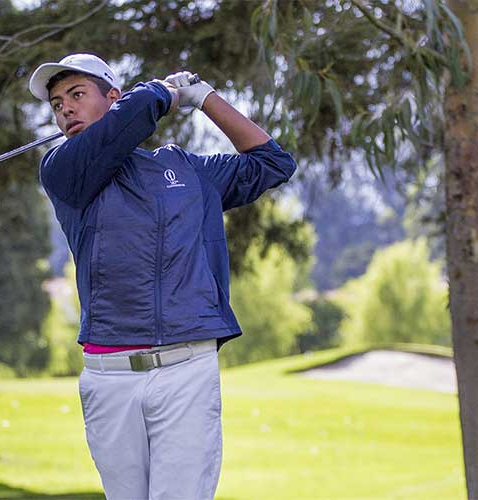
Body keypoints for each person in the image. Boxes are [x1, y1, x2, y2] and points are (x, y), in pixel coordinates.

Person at [27, 53, 297, 499]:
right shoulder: (62, 171)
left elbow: (272, 162)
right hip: (109, 376)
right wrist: (158, 93)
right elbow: (126, 122)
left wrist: (203, 97)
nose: (66, 109)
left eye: (77, 95)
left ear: (113, 98)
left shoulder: (186, 170)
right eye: (56, 105)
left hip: (185, 369)